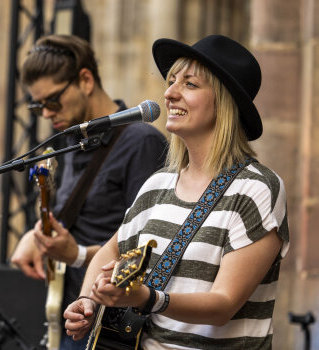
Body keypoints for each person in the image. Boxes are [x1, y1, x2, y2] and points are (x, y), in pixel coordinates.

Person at [63, 34, 289, 350]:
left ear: (224, 101)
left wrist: (150, 298)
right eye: (171, 82)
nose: (169, 93)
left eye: (189, 84)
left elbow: (223, 305)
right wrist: (87, 300)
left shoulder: (256, 189)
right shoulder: (158, 183)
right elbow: (109, 251)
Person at [9, 34, 167, 349]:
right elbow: (75, 217)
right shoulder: (69, 141)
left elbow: (151, 250)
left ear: (85, 79)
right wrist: (35, 236)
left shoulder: (141, 143)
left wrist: (78, 256)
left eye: (52, 101)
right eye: (37, 105)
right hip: (71, 318)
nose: (45, 113)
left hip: (114, 328)